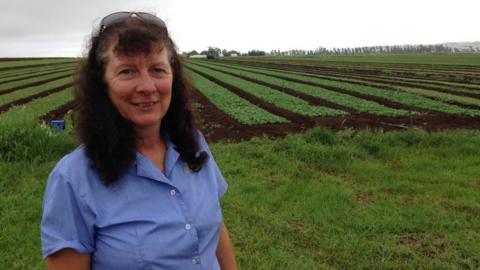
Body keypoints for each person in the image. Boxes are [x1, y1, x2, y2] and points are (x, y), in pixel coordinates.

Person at [40, 11, 237, 270]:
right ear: (102, 83)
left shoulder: (193, 145)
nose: (146, 86)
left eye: (157, 69)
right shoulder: (74, 178)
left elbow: (215, 227)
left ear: (173, 77)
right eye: (127, 71)